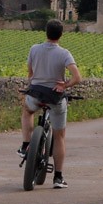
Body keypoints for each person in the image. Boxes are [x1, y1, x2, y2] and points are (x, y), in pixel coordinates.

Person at [19, 19, 82, 188]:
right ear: (61, 35)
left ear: (46, 32)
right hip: (55, 97)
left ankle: (26, 144)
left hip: (36, 94)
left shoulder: (34, 49)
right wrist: (64, 85)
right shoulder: (64, 53)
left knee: (27, 111)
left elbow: (30, 74)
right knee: (59, 136)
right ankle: (58, 178)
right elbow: (77, 78)